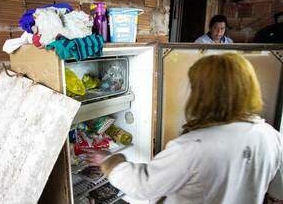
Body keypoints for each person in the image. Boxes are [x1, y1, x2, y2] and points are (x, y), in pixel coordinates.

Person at [86, 53, 283, 204]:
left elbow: (143, 186)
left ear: (203, 95)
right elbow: (278, 190)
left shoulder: (192, 147)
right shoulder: (270, 136)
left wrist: (110, 160)